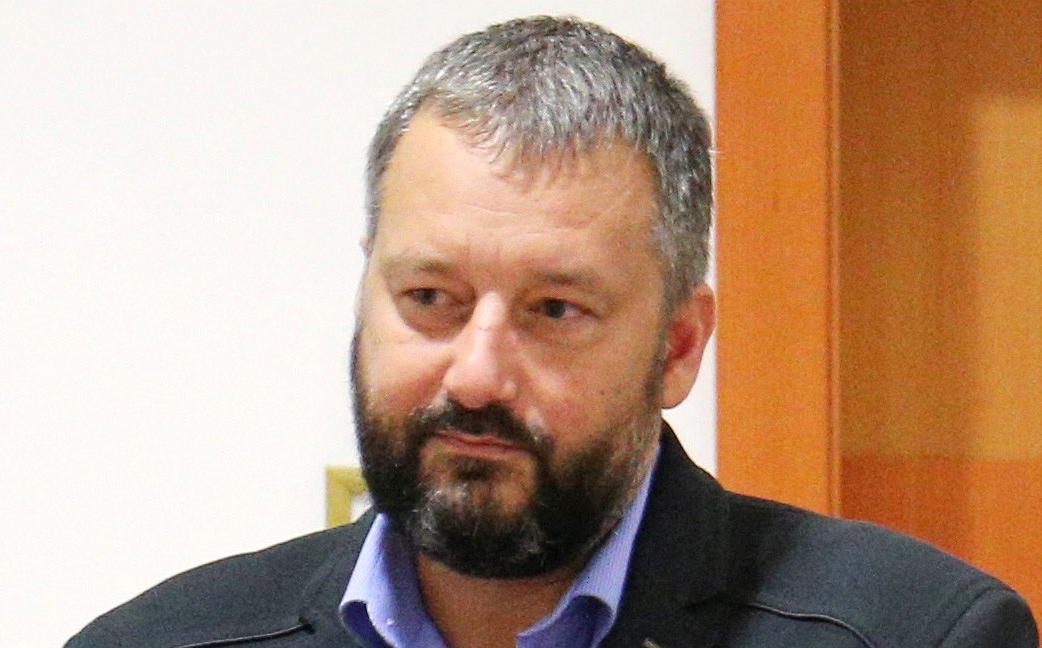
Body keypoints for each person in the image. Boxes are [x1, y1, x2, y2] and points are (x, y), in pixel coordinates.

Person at [67, 15, 1037, 648]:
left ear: (678, 348)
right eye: (430, 298)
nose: (476, 376)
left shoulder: (915, 635)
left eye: (555, 311)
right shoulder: (151, 643)